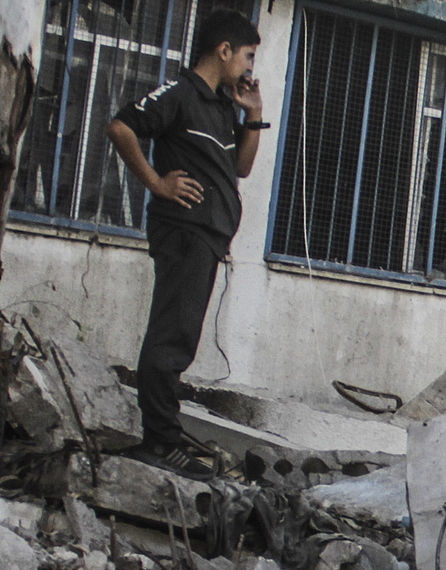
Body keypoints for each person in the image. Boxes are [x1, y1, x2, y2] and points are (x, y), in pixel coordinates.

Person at [105, 8, 265, 478]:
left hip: (209, 235)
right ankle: (159, 443)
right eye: (248, 56)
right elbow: (120, 126)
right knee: (172, 338)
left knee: (181, 336)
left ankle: (164, 439)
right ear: (224, 50)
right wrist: (156, 181)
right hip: (184, 230)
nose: (250, 67)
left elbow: (241, 167)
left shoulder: (220, 103)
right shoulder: (179, 94)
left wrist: (253, 115)